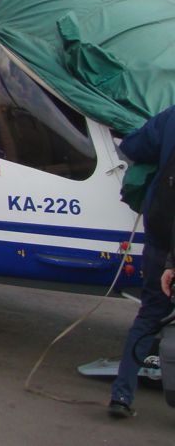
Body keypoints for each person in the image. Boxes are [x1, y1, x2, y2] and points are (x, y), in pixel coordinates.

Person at [109, 105, 175, 418]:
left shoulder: (171, 116)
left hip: (160, 238)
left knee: (149, 316)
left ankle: (121, 396)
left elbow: (133, 146)